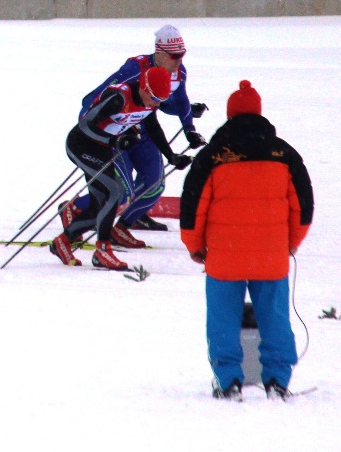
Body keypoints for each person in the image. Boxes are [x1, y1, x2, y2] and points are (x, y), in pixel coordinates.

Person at [179, 79, 314, 401]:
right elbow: (304, 207)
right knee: (276, 320)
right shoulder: (284, 154)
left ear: (229, 115)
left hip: (224, 257)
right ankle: (278, 380)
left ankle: (228, 381)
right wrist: (291, 242)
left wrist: (195, 246)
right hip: (271, 257)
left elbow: (192, 206)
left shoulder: (213, 155)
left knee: (223, 322)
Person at [60, 24, 208, 244]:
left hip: (143, 126)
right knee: (121, 190)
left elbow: (172, 103)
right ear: (159, 54)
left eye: (182, 55)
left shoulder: (179, 73)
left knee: (155, 181)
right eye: (174, 56)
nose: (179, 60)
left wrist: (189, 129)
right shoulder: (134, 68)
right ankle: (76, 208)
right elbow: (96, 99)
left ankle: (123, 225)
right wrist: (92, 127)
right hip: (114, 130)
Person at [49, 65, 190, 271]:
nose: (155, 104)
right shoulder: (120, 97)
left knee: (100, 204)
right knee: (115, 191)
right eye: (153, 98)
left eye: (160, 100)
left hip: (102, 149)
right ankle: (103, 250)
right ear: (143, 87)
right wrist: (114, 140)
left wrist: (171, 156)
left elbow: (153, 128)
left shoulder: (149, 101)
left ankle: (62, 242)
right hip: (81, 145)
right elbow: (86, 125)